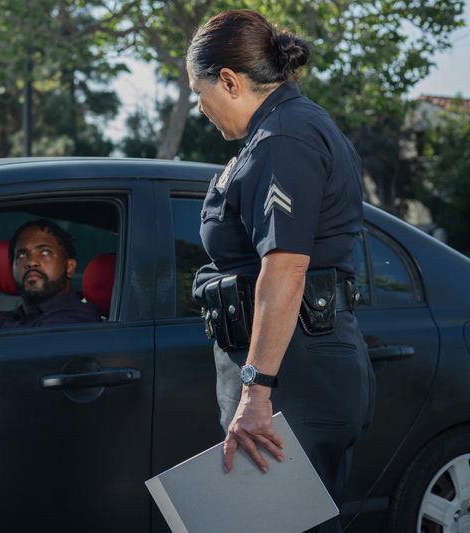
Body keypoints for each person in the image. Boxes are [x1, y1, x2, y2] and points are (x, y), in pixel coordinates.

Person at [187, 10, 374, 532]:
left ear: (229, 80)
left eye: (199, 93)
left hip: (293, 371)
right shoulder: (280, 129)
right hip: (294, 365)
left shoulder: (283, 138)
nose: (200, 108)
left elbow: (286, 269)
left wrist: (256, 391)